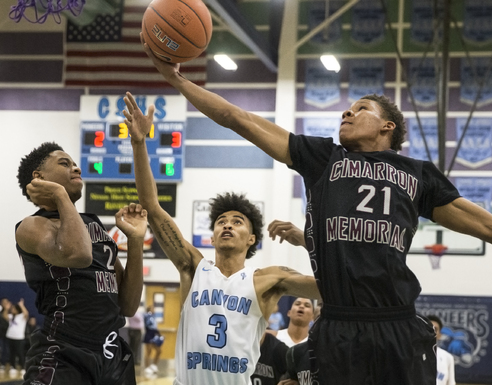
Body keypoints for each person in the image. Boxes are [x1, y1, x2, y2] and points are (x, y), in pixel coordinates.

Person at [140, 36, 492, 385]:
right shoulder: (321, 159)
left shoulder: (416, 174)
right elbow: (240, 118)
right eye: (346, 108)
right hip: (337, 326)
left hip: (397, 324)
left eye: (360, 109)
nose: (346, 113)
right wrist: (177, 81)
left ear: (387, 128)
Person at [123, 93, 321, 385]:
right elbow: (152, 208)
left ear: (252, 238)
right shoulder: (193, 267)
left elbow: (333, 290)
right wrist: (139, 143)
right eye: (220, 222)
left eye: (237, 222)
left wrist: (308, 241)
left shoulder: (267, 279)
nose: (227, 226)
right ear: (213, 237)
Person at [15, 142, 148, 385]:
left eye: (75, 164)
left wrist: (136, 241)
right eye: (64, 164)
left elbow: (127, 306)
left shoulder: (94, 227)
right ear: (39, 177)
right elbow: (78, 255)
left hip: (111, 353)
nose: (76, 169)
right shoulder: (32, 226)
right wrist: (59, 195)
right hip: (63, 352)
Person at [426, 315, 456, 385]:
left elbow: (451, 383)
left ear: (439, 334)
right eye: (429, 328)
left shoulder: (447, 357)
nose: (432, 332)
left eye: (435, 329)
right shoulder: (414, 353)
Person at [4, 299, 29, 377]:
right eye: (12, 308)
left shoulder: (21, 316)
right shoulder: (11, 316)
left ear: (18, 309)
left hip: (19, 338)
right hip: (10, 337)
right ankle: (13, 367)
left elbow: (26, 313)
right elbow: (4, 316)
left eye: (14, 308)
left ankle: (22, 368)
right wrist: (6, 308)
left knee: (20, 353)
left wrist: (22, 306)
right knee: (12, 353)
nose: (12, 309)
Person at [143, 307, 164, 376]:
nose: (153, 310)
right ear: (149, 310)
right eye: (152, 309)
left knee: (159, 351)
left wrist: (159, 334)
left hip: (154, 334)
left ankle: (154, 365)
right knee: (149, 351)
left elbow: (155, 327)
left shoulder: (154, 317)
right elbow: (149, 324)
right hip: (149, 334)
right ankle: (147, 367)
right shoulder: (147, 316)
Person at [0, 298, 11, 374]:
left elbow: (7, 318)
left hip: (8, 334)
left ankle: (4, 363)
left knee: (6, 349)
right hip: (0, 333)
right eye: (3, 302)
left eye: (6, 302)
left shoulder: (11, 311)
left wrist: (7, 309)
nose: (4, 303)